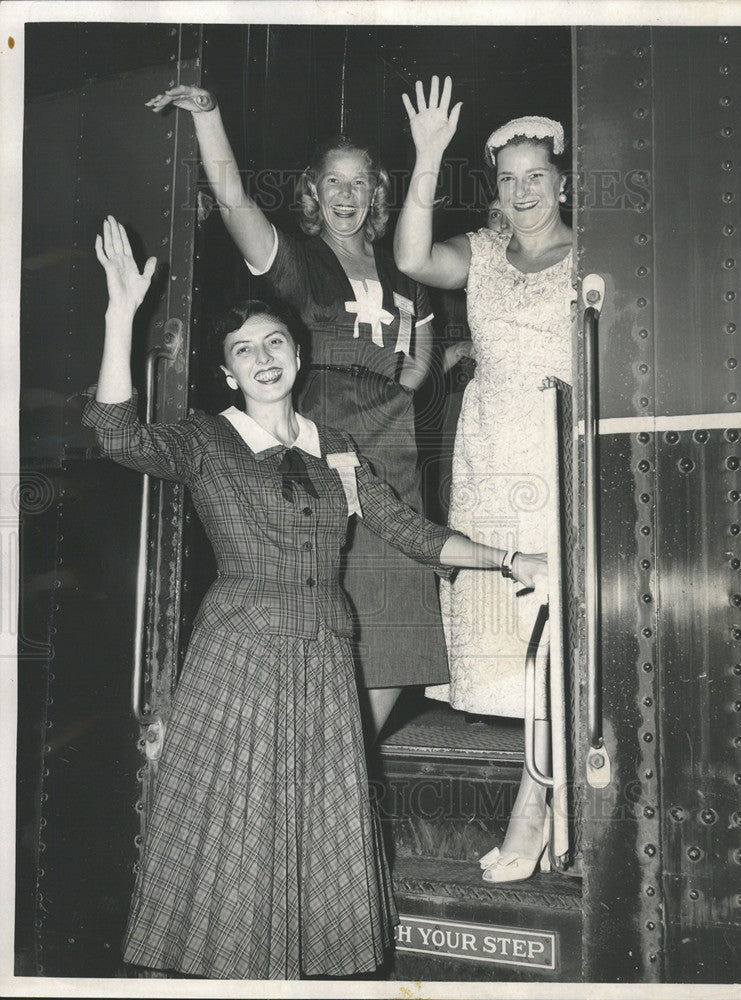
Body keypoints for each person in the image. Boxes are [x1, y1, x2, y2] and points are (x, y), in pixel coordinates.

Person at [85, 216, 549, 979]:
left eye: (274, 344)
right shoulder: (207, 440)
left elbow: (411, 532)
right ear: (228, 374)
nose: (263, 359)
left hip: (327, 658)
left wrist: (507, 557)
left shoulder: (337, 449)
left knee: (314, 830)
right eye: (244, 351)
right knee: (240, 831)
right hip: (240, 655)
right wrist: (119, 315)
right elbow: (116, 434)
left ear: (297, 357)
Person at [145, 84, 444, 739]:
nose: (345, 195)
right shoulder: (298, 262)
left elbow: (421, 358)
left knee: (400, 625)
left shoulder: (407, 268)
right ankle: (320, 757)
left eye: (359, 183)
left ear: (376, 194)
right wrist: (210, 115)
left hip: (392, 458)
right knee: (327, 617)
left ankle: (347, 756)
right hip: (321, 461)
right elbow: (233, 200)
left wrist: (404, 379)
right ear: (313, 192)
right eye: (332, 182)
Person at [394, 77, 575, 883]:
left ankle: (533, 815)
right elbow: (408, 257)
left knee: (564, 641)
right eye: (508, 179)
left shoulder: (596, 254)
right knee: (521, 649)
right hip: (489, 460)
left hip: (559, 455)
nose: (523, 191)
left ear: (563, 182)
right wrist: (429, 153)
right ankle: (550, 805)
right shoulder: (483, 252)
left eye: (537, 176)